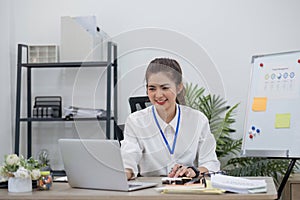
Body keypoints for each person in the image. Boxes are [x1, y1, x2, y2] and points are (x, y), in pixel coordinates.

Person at [121, 58, 220, 180]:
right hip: (150, 193)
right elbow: (128, 163)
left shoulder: (198, 120)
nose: (158, 95)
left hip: (188, 191)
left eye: (165, 88)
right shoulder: (135, 121)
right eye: (152, 88)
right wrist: (123, 174)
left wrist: (193, 171)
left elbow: (211, 164)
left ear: (178, 88)